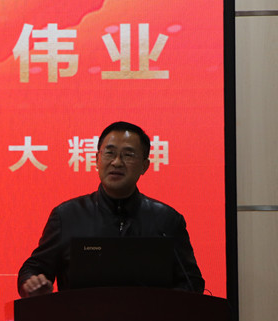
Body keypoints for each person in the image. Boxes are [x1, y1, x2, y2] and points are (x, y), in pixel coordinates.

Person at [18, 121, 204, 298]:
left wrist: (159, 305)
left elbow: (191, 282)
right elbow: (34, 268)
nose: (117, 162)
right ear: (97, 159)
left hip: (148, 320)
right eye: (109, 153)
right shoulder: (67, 216)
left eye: (128, 155)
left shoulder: (166, 220)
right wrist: (32, 283)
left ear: (145, 166)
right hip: (82, 320)